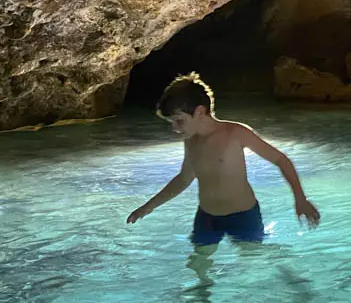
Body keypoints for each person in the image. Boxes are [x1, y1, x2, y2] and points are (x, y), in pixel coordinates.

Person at [127, 73, 320, 247]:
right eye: (172, 123)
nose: (175, 129)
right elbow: (184, 178)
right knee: (198, 266)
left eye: (179, 120)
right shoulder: (191, 141)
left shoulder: (235, 133)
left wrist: (300, 199)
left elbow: (281, 160)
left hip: (243, 216)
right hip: (207, 217)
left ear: (200, 112)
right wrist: (148, 206)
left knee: (252, 262)